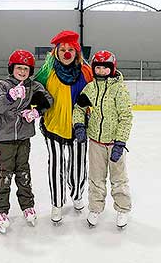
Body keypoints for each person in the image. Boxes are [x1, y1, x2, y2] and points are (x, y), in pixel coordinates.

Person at [0, 49, 53, 233]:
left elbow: (48, 100)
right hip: (4, 137)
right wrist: (10, 96)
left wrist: (36, 112)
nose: (22, 72)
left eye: (26, 69)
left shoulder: (33, 87)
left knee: (23, 172)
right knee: (6, 173)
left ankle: (27, 205)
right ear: (12, 68)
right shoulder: (4, 85)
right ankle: (0, 211)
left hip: (23, 136)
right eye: (19, 68)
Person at [34, 30, 93, 224]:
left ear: (76, 52)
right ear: (56, 52)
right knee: (57, 165)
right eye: (62, 49)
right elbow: (34, 89)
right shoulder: (47, 72)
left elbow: (97, 93)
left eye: (70, 49)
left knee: (78, 166)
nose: (66, 53)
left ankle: (77, 195)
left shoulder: (86, 72)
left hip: (79, 128)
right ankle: (57, 203)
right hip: (54, 127)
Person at [73, 50, 133, 229]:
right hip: (96, 143)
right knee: (96, 177)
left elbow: (126, 117)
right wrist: (79, 126)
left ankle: (123, 208)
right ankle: (95, 208)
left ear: (112, 68)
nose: (100, 71)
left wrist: (120, 142)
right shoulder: (90, 88)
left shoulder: (119, 89)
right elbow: (79, 109)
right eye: (97, 67)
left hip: (115, 143)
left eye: (104, 68)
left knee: (119, 178)